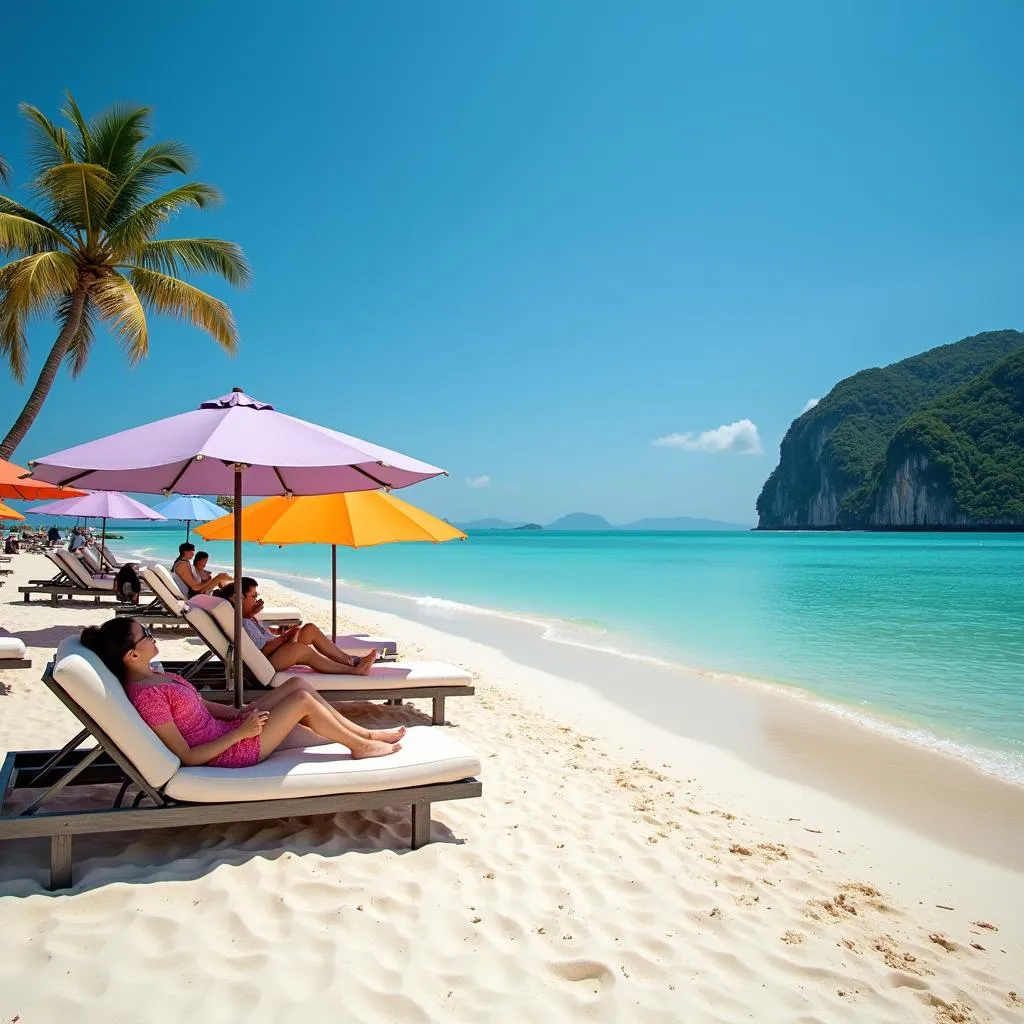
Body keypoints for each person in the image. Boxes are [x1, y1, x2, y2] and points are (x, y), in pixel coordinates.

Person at [79, 618, 404, 766]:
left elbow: (200, 704)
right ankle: (360, 746)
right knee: (302, 700)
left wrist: (237, 713)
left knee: (297, 684)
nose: (152, 636)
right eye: (145, 635)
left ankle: (366, 735)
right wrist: (241, 732)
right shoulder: (147, 697)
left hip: (230, 728)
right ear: (132, 656)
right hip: (231, 750)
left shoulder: (155, 676)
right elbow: (188, 757)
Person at [215, 577, 377, 676]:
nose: (257, 599)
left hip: (275, 653)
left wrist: (253, 615)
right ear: (238, 598)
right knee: (301, 650)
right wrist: (286, 637)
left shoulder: (245, 619)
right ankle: (355, 671)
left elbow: (263, 637)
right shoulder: (242, 622)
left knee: (310, 629)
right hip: (269, 660)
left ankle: (350, 661)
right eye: (253, 596)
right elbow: (263, 650)